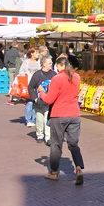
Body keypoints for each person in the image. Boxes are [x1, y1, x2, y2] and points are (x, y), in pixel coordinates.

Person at [38, 57, 84, 185]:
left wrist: (41, 92)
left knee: (56, 144)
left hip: (59, 115)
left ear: (59, 66)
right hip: (74, 114)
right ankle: (79, 168)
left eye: (56, 66)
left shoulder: (56, 79)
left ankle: (53, 172)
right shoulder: (76, 77)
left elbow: (49, 99)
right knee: (73, 144)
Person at [29, 55, 57, 145]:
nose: (51, 64)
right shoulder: (37, 75)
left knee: (47, 120)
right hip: (39, 102)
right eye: (49, 63)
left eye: (51, 63)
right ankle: (39, 135)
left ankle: (48, 138)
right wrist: (35, 99)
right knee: (39, 120)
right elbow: (30, 87)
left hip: (49, 102)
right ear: (43, 64)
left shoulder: (54, 74)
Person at [19, 48, 41, 127]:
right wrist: (26, 74)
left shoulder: (39, 62)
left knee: (36, 102)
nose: (38, 54)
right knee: (29, 102)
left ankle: (34, 120)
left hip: (38, 85)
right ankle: (28, 120)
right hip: (28, 84)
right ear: (31, 53)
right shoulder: (26, 62)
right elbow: (20, 72)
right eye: (36, 53)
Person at [4, 41, 20, 105]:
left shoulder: (8, 52)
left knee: (11, 82)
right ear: (16, 45)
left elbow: (5, 61)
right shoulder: (17, 52)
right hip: (17, 68)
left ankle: (11, 97)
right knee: (17, 82)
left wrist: (8, 66)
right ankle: (17, 96)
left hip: (10, 67)